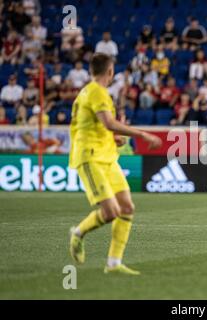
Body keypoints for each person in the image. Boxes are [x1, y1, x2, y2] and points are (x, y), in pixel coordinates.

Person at [68, 53, 162, 275]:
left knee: (127, 208)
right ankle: (78, 233)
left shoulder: (89, 92)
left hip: (107, 157)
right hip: (91, 158)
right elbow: (109, 123)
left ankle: (113, 263)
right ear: (110, 72)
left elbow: (96, 125)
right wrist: (142, 134)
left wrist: (113, 138)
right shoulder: (97, 92)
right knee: (111, 212)